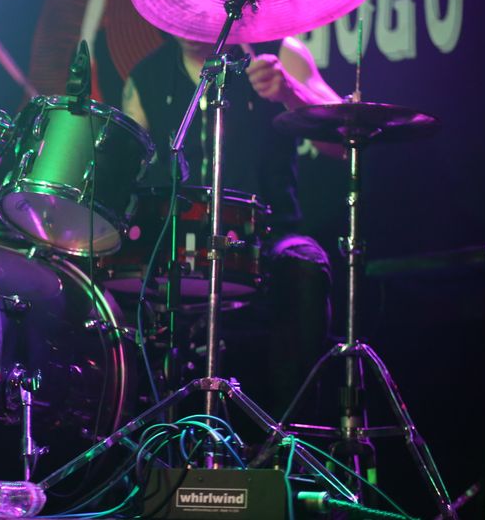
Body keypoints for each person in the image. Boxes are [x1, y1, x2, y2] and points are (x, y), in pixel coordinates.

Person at [121, 35, 341, 418]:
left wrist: (291, 92)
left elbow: (341, 142)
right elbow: (125, 170)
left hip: (270, 237)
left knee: (305, 264)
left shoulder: (280, 53)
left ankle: (286, 437)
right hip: (180, 245)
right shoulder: (146, 77)